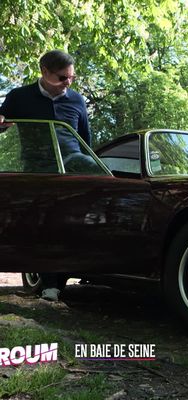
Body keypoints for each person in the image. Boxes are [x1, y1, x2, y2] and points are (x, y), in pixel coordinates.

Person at [0, 50, 92, 301]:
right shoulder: (19, 96)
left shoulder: (76, 100)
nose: (68, 83)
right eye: (63, 78)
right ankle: (49, 284)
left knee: (69, 220)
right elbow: (2, 121)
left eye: (72, 78)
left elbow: (85, 141)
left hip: (71, 164)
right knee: (40, 223)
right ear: (44, 72)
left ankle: (88, 266)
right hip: (37, 167)